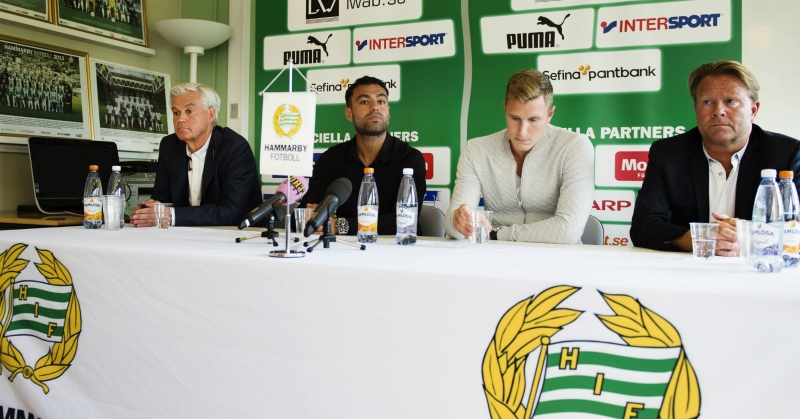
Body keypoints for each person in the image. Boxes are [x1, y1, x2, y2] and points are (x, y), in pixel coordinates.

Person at [630, 60, 800, 255]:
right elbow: (643, 227)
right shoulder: (668, 153)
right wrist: (700, 238)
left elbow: (795, 227)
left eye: (731, 101)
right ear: (696, 109)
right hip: (688, 269)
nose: (718, 111)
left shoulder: (787, 154)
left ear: (753, 110)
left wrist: (745, 240)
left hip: (758, 268)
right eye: (707, 102)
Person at [444, 68, 594, 243]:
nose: (522, 131)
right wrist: (458, 222)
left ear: (550, 114)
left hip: (556, 256)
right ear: (504, 108)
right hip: (495, 256)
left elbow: (568, 230)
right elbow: (451, 225)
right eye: (515, 118)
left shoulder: (574, 146)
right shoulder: (476, 150)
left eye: (533, 120)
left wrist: (497, 234)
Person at [299, 76, 426, 235]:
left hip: (396, 247)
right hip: (341, 248)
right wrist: (311, 215)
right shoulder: (331, 159)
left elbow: (405, 221)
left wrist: (339, 225)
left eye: (381, 101)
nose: (375, 107)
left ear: (388, 112)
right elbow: (308, 211)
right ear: (349, 114)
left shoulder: (409, 159)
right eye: (365, 102)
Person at [131, 83, 262, 227]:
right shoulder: (169, 146)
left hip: (237, 234)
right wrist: (148, 211)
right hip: (184, 234)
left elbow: (230, 212)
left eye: (189, 111)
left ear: (210, 114)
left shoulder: (235, 147)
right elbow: (162, 200)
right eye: (176, 113)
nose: (180, 119)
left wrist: (171, 215)